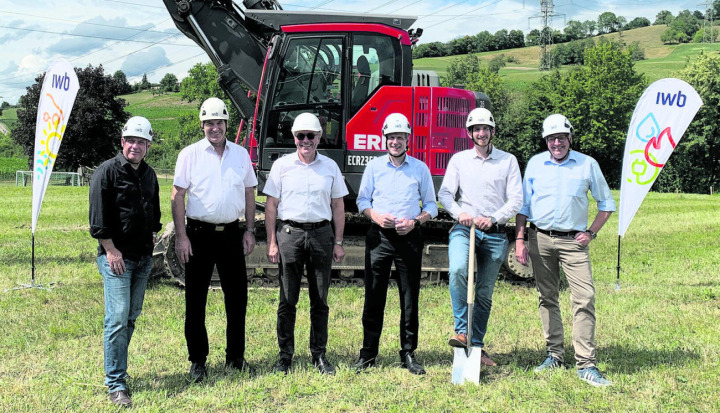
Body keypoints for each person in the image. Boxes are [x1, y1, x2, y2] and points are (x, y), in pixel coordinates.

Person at [514, 114, 615, 387]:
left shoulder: (587, 164)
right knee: (547, 297)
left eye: (561, 137)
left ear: (570, 138)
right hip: (540, 239)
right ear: (546, 140)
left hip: (574, 243)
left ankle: (586, 364)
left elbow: (606, 203)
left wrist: (591, 232)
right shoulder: (535, 164)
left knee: (584, 297)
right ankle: (554, 355)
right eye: (551, 138)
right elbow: (523, 207)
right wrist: (521, 239)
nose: (556, 142)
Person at [171, 97, 257, 383]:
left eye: (219, 122)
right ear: (202, 124)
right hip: (198, 236)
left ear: (226, 124)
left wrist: (248, 230)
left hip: (232, 234)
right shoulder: (189, 154)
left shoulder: (241, 155)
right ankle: (198, 360)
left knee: (237, 299)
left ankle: (235, 357)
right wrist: (181, 236)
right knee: (195, 300)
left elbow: (248, 193)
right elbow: (178, 196)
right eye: (209, 123)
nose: (214, 128)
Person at [263, 112, 348, 375]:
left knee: (319, 300)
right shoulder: (282, 166)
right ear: (294, 138)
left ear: (319, 138)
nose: (306, 141)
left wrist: (338, 241)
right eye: (301, 136)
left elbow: (338, 206)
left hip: (322, 235)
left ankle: (319, 355)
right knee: (288, 299)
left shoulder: (330, 167)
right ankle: (285, 356)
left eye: (311, 136)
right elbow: (271, 207)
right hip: (290, 235)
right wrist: (272, 242)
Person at [438, 107, 523, 367]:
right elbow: (444, 195)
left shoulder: (508, 161)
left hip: (494, 234)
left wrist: (495, 217)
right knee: (459, 270)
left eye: (486, 129)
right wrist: (460, 213)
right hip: (465, 229)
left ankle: (477, 347)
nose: (482, 133)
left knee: (484, 292)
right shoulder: (459, 160)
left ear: (493, 131)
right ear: (470, 133)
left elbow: (517, 199)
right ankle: (461, 332)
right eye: (477, 129)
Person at [354, 113, 438, 375]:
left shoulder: (420, 169)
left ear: (407, 139)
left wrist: (415, 221)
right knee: (374, 294)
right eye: (391, 137)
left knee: (409, 296)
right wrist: (376, 216)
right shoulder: (374, 168)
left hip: (408, 237)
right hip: (379, 237)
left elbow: (433, 206)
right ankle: (368, 353)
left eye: (400, 137)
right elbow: (362, 201)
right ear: (385, 139)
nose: (395, 141)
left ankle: (409, 353)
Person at [89, 116, 161, 407]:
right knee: (117, 319)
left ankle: (117, 368)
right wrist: (110, 250)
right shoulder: (105, 172)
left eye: (141, 142)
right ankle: (116, 384)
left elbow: (153, 212)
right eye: (131, 140)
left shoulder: (149, 174)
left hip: (143, 257)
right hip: (116, 258)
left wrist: (153, 242)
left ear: (147, 146)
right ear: (123, 142)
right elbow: (97, 219)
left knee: (130, 317)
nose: (136, 146)